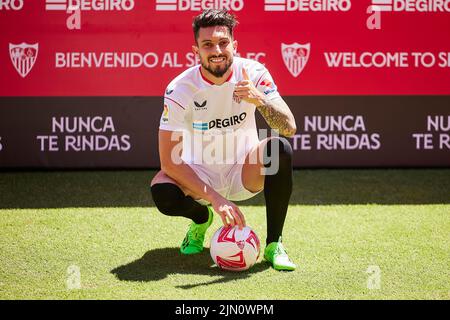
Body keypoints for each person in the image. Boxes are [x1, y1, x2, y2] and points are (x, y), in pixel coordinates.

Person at [150, 9, 297, 271]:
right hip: (200, 176)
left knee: (279, 149)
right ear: (196, 50)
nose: (216, 50)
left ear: (234, 46)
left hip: (244, 171)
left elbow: (289, 127)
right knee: (162, 190)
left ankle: (275, 243)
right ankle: (200, 218)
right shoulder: (180, 88)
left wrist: (259, 100)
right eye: (207, 44)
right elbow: (168, 162)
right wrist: (216, 201)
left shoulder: (253, 72)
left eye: (223, 42)